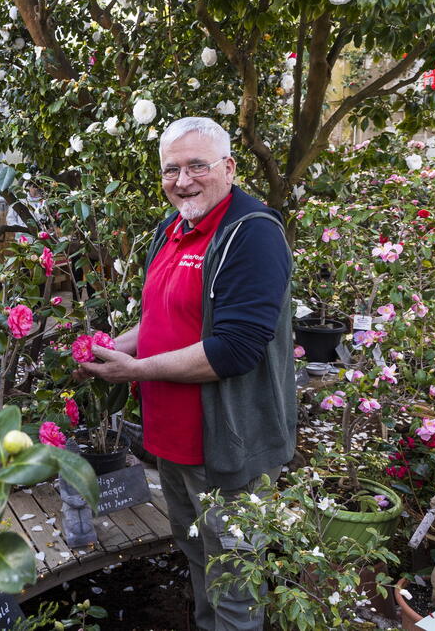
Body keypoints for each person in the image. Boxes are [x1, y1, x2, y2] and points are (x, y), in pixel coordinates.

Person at [79, 117, 297, 631]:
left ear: (228, 167)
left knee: (235, 575)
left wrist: (135, 369)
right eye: (171, 169)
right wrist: (111, 349)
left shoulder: (251, 234)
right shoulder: (172, 227)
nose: (183, 180)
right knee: (198, 554)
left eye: (197, 165)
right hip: (172, 441)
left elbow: (235, 350)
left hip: (226, 446)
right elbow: (157, 320)